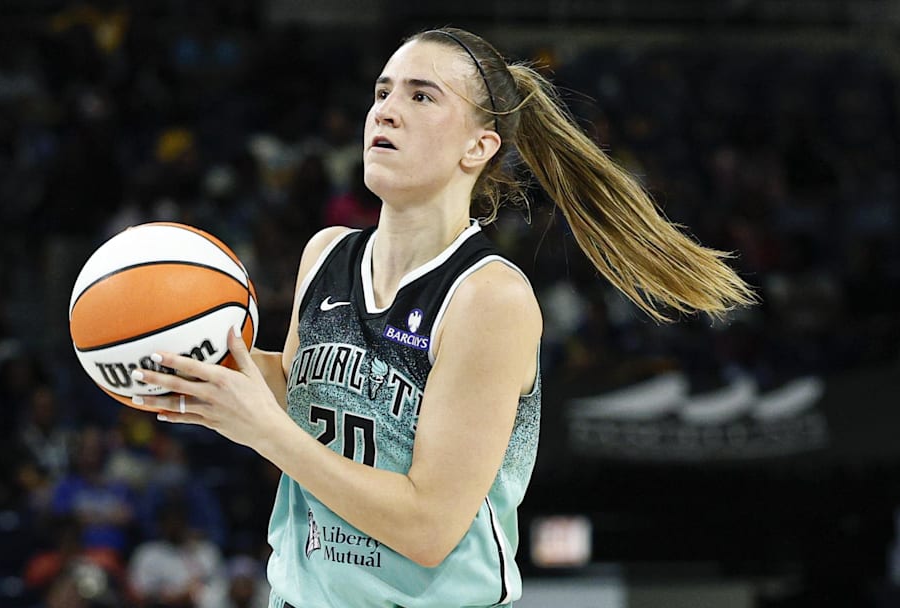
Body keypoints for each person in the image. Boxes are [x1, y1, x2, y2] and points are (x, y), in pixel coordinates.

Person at [130, 27, 755, 607]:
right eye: (382, 92)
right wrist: (191, 354)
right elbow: (300, 391)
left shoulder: (489, 298)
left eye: (421, 96)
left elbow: (427, 527)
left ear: (479, 147)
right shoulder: (326, 255)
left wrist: (265, 431)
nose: (386, 110)